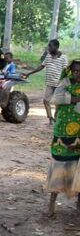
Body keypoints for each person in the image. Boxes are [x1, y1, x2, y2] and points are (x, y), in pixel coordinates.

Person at [46, 59, 80, 217]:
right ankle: (52, 204)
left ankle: (78, 203)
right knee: (59, 164)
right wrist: (75, 99)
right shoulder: (64, 82)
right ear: (70, 71)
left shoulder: (66, 87)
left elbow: (63, 99)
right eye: (75, 71)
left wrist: (69, 99)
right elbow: (55, 99)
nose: (77, 74)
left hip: (78, 133)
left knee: (78, 166)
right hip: (62, 133)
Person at [23, 39, 68, 125]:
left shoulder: (63, 57)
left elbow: (65, 71)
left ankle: (56, 118)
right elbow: (41, 66)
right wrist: (29, 73)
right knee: (46, 101)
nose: (48, 48)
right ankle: (50, 119)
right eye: (48, 46)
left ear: (56, 47)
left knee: (58, 103)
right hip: (50, 83)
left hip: (59, 84)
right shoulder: (48, 56)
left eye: (50, 46)